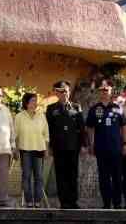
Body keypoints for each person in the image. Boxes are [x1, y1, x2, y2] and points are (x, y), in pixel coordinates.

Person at [86, 79, 126, 209]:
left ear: (110, 91)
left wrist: (125, 144)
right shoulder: (94, 109)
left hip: (116, 149)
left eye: (106, 90)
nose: (104, 92)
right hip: (100, 149)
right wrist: (91, 144)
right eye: (102, 90)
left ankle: (117, 203)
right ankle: (106, 203)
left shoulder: (118, 108)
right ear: (99, 92)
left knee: (117, 177)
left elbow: (124, 127)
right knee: (103, 178)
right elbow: (90, 128)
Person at [46, 80, 86, 209]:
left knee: (73, 174)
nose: (65, 94)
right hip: (58, 147)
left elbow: (82, 128)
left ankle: (73, 201)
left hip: (73, 147)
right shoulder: (51, 109)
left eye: (67, 91)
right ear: (57, 93)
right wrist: (50, 147)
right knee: (60, 174)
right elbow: (49, 129)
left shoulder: (76, 107)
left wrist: (84, 145)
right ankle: (63, 201)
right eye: (61, 91)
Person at [14, 92, 50, 208]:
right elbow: (15, 135)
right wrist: (15, 150)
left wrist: (46, 149)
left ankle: (38, 201)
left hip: (39, 150)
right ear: (26, 102)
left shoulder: (41, 115)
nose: (35, 103)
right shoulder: (19, 116)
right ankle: (29, 201)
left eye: (36, 100)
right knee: (26, 176)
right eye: (33, 100)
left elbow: (46, 134)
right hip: (25, 150)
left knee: (39, 176)